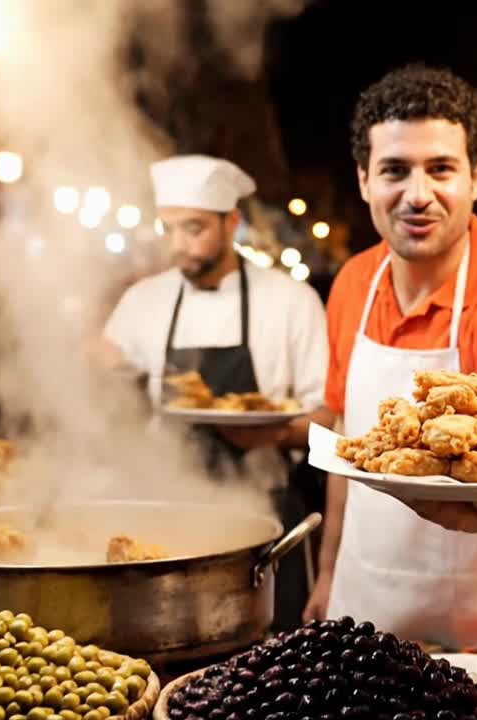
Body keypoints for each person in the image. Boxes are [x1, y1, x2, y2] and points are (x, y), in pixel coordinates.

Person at [306, 64, 477, 647]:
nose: (418, 195)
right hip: (363, 613)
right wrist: (327, 570)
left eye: (441, 169)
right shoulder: (352, 284)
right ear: (363, 180)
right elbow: (343, 437)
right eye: (394, 171)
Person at [101, 154, 331, 629]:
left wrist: (272, 436)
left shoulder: (290, 302)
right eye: (169, 229)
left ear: (232, 223)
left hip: (263, 506)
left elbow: (328, 419)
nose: (179, 245)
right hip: (164, 500)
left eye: (194, 228)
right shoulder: (143, 300)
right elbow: (106, 385)